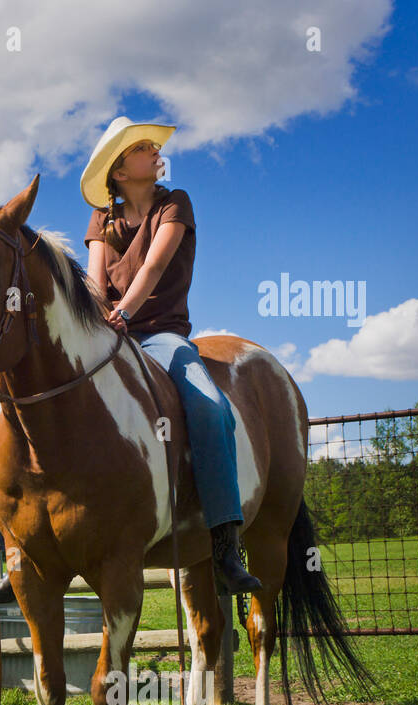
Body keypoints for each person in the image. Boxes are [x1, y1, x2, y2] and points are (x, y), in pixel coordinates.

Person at [78, 116, 260, 594]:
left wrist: (123, 314)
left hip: (160, 335)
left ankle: (224, 542)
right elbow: (95, 280)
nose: (156, 152)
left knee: (210, 406)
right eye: (142, 148)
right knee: (40, 400)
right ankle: (17, 554)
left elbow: (156, 263)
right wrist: (100, 319)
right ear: (119, 171)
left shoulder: (175, 203)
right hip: (107, 332)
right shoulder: (103, 219)